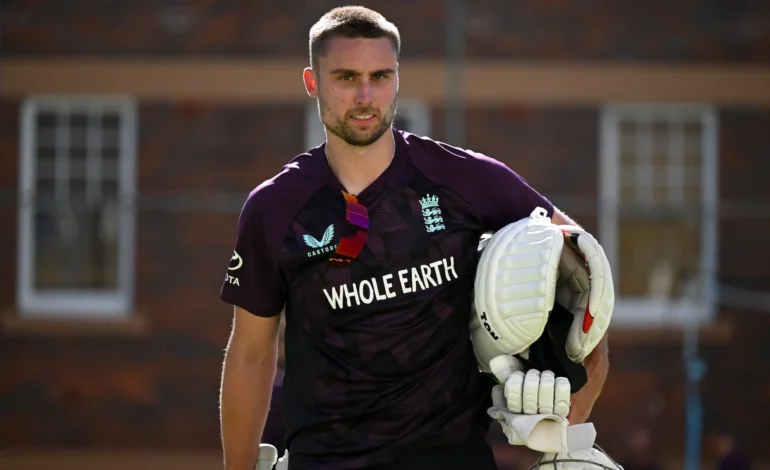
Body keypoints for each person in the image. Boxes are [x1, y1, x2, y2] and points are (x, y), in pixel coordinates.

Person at [218, 6, 609, 470]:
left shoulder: (463, 179)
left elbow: (581, 266)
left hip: (452, 458)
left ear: (397, 79)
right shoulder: (275, 207)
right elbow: (250, 354)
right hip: (324, 461)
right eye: (345, 78)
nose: (365, 95)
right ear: (312, 82)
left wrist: (589, 378)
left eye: (380, 76)